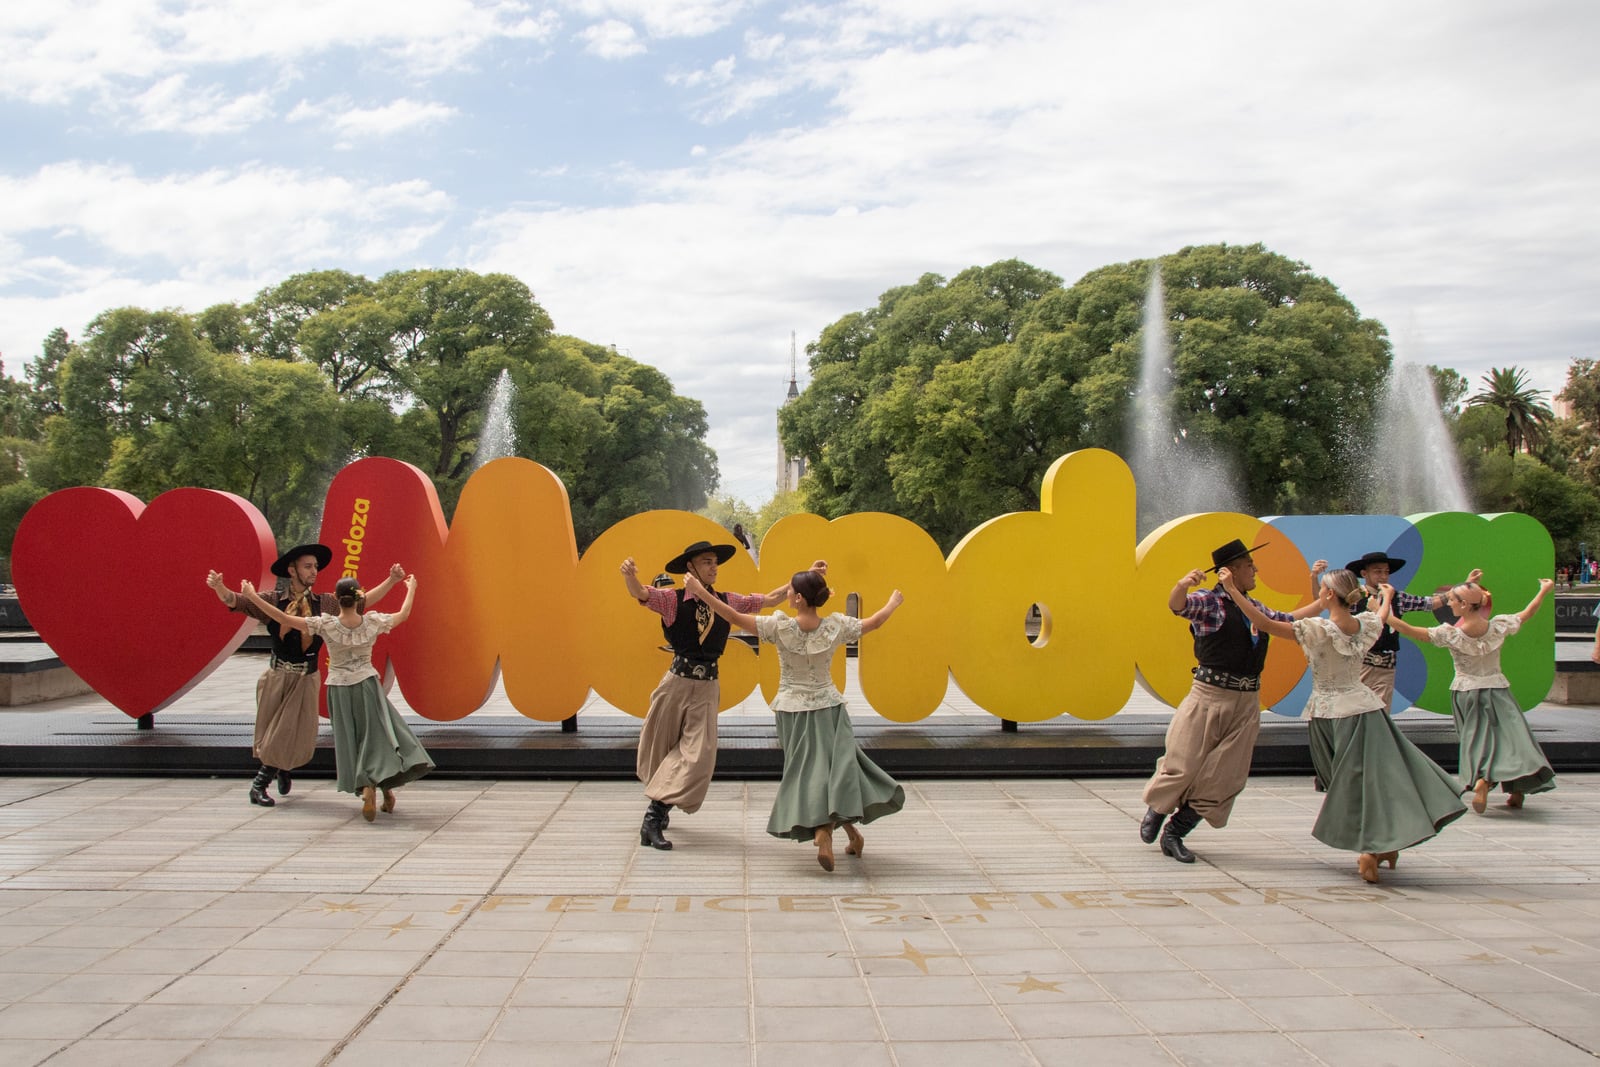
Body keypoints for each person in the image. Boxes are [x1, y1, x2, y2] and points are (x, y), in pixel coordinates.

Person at [1219, 566, 1466, 883]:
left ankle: (1372, 846)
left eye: (1321, 588)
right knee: (1375, 781)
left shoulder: (1316, 629)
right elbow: (1381, 613)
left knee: (1352, 785)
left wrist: (1233, 590)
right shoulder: (1365, 624)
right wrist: (1387, 596)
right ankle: (1384, 843)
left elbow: (1263, 624)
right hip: (1364, 710)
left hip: (1331, 714)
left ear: (1327, 595)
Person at [685, 564, 905, 871]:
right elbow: (875, 623)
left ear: (799, 598)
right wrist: (893, 603)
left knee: (808, 774)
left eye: (790, 590)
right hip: (829, 708)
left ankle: (823, 833)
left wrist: (700, 593)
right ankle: (850, 834)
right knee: (833, 772)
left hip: (792, 710)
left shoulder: (780, 627)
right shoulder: (835, 627)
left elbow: (733, 617)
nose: (785, 592)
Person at [1139, 538, 1325, 863]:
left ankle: (1176, 831)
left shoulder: (1254, 607)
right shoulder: (1211, 603)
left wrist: (1322, 603)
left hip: (1247, 701)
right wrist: (1182, 584)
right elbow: (1178, 605)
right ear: (1232, 571)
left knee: (1227, 774)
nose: (1256, 570)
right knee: (1183, 762)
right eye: (1250, 565)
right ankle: (1158, 808)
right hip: (1209, 696)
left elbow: (1287, 619)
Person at [620, 541, 794, 850]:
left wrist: (801, 579)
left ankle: (653, 816)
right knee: (660, 748)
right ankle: (659, 814)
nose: (713, 567)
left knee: (697, 754)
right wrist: (630, 576)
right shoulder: (673, 600)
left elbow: (767, 600)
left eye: (715, 562)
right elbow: (642, 594)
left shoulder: (727, 601)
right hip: (676, 682)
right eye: (706, 561)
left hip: (707, 686)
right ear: (691, 567)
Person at [205, 546, 404, 808]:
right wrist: (219, 587)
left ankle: (281, 769)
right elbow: (237, 601)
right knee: (275, 732)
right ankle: (260, 784)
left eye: (315, 567)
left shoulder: (324, 604)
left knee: (297, 733)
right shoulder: (273, 600)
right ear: (292, 570)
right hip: (278, 676)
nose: (314, 571)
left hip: (307, 677)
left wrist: (391, 580)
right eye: (308, 566)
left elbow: (361, 602)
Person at [237, 573, 434, 823]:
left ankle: (366, 789)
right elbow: (403, 614)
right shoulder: (372, 622)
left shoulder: (326, 624)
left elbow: (282, 618)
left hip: (339, 689)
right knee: (376, 737)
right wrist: (411, 588)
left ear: (338, 600)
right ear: (358, 598)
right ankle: (383, 790)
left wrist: (253, 597)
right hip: (367, 685)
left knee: (351, 740)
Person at [1382, 576, 1557, 813]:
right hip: (1498, 690)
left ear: (1464, 605)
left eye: (1453, 600)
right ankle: (1517, 790)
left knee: (1477, 741)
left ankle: (1482, 780)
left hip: (1467, 692)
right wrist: (1544, 591)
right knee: (1512, 738)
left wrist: (1385, 612)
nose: (1449, 603)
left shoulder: (1452, 634)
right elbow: (1527, 613)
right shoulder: (1497, 626)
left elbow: (1413, 631)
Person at [1343, 551, 1473, 713]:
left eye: (1386, 572)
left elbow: (1430, 603)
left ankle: (1376, 737)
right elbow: (1331, 607)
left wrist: (1462, 589)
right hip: (1358, 663)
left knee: (1380, 713)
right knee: (1355, 710)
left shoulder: (1397, 597)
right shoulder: (1355, 597)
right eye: (1378, 571)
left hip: (1386, 664)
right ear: (1364, 573)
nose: (1383, 576)